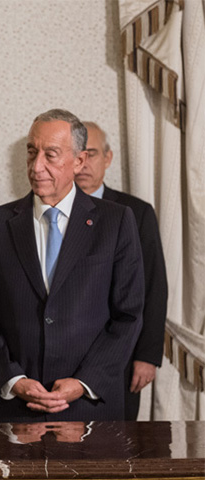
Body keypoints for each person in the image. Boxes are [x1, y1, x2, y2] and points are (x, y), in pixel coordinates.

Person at [0, 109, 145, 423]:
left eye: (50, 155)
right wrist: (13, 380)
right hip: (18, 409)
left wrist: (82, 383)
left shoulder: (116, 222)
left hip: (91, 406)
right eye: (32, 153)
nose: (37, 167)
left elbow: (128, 314)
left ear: (78, 161)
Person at [76, 121, 168, 420]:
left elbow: (154, 285)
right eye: (78, 154)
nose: (84, 163)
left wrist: (147, 355)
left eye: (91, 153)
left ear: (108, 158)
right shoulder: (48, 211)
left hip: (122, 355)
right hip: (65, 357)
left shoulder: (135, 212)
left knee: (117, 445)